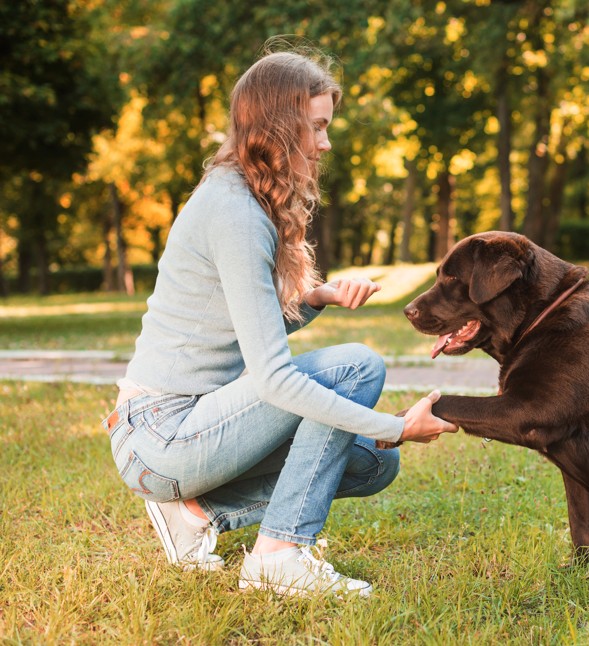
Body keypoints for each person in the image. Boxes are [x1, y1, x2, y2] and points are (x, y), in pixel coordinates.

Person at [101, 46, 457, 598]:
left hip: (193, 429)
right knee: (354, 368)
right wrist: (396, 428)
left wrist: (314, 297)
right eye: (316, 127)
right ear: (278, 127)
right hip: (162, 433)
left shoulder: (243, 197)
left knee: (371, 466)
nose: (325, 143)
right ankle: (279, 556)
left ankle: (196, 513)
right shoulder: (236, 212)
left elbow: (234, 332)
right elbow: (272, 380)